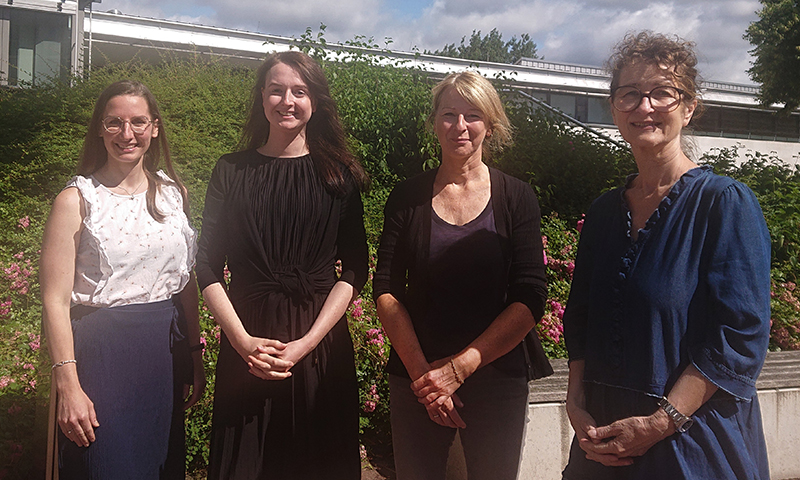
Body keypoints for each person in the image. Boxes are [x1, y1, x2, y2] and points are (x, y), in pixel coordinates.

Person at [561, 31, 772, 479]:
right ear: (614, 107)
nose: (644, 107)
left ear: (689, 106)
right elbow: (579, 320)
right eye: (630, 94)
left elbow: (739, 338)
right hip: (602, 447)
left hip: (690, 446)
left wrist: (661, 422)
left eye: (662, 93)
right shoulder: (603, 213)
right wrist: (575, 403)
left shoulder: (724, 204)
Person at [195, 51, 369, 479]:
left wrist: (307, 343)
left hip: (319, 347)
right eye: (276, 90)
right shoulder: (230, 171)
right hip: (248, 343)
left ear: (315, 101)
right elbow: (205, 265)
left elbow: (355, 268)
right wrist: (241, 342)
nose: (286, 100)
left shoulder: (339, 175)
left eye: (299, 91)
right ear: (261, 97)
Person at [374, 71, 550, 480]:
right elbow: (386, 289)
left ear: (490, 124)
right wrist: (426, 377)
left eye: (472, 115)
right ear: (434, 122)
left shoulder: (517, 197)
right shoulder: (406, 197)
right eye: (449, 114)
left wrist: (458, 369)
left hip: (496, 377)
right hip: (416, 379)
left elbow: (530, 296)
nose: (460, 126)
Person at [40, 79, 204, 479]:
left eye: (138, 122)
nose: (126, 134)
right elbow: (55, 300)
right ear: (100, 128)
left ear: (155, 127)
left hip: (164, 355)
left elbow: (185, 284)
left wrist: (195, 357)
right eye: (114, 123)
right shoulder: (76, 200)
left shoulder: (173, 193)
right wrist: (68, 386)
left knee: (161, 466)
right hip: (102, 357)